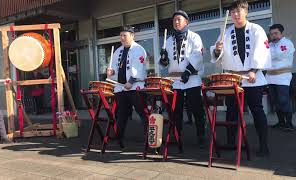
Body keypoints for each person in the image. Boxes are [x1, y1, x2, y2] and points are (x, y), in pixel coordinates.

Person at [210, 0, 271, 157]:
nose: (236, 14)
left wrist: (253, 70)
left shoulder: (256, 29)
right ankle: (231, 142)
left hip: (252, 78)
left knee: (256, 110)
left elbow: (262, 51)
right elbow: (218, 56)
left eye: (239, 11)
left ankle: (264, 144)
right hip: (233, 79)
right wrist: (217, 50)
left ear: (246, 12)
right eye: (233, 12)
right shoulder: (226, 32)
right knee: (231, 112)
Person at [159, 10, 206, 150]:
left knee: (196, 108)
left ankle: (201, 133)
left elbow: (198, 55)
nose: (176, 22)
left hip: (191, 77)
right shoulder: (168, 40)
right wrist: (163, 59)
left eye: (179, 19)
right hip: (174, 79)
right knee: (175, 109)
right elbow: (165, 64)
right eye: (174, 20)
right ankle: (176, 133)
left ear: (187, 21)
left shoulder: (194, 37)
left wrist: (187, 71)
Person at [107, 26, 148, 147]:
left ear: (132, 36)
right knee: (121, 113)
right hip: (121, 87)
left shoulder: (138, 49)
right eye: (121, 35)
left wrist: (131, 81)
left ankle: (148, 136)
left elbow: (138, 68)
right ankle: (119, 135)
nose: (122, 38)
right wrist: (111, 72)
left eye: (125, 35)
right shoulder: (118, 51)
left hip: (135, 86)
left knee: (142, 111)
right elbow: (114, 68)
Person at [266, 24, 295, 131]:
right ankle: (281, 122)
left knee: (284, 100)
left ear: (281, 33)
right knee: (275, 100)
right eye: (271, 34)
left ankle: (289, 123)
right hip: (270, 76)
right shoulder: (269, 45)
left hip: (283, 76)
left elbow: (279, 56)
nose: (273, 36)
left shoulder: (287, 43)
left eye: (276, 33)